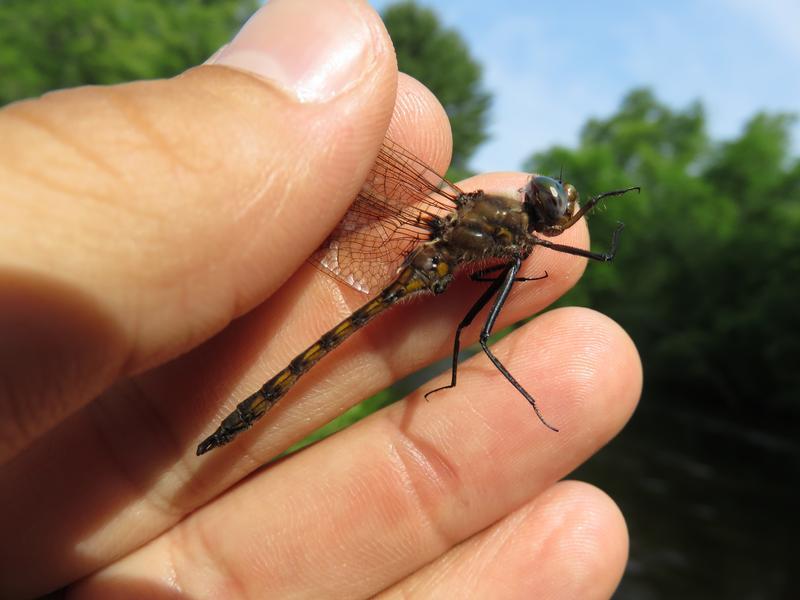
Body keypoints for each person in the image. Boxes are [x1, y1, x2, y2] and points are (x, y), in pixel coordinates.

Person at [0, 0, 641, 597]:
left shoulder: (491, 220)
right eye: (555, 203)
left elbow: (493, 289)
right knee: (464, 336)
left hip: (422, 265)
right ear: (536, 215)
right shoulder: (511, 236)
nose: (555, 205)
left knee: (463, 333)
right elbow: (525, 289)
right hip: (419, 271)